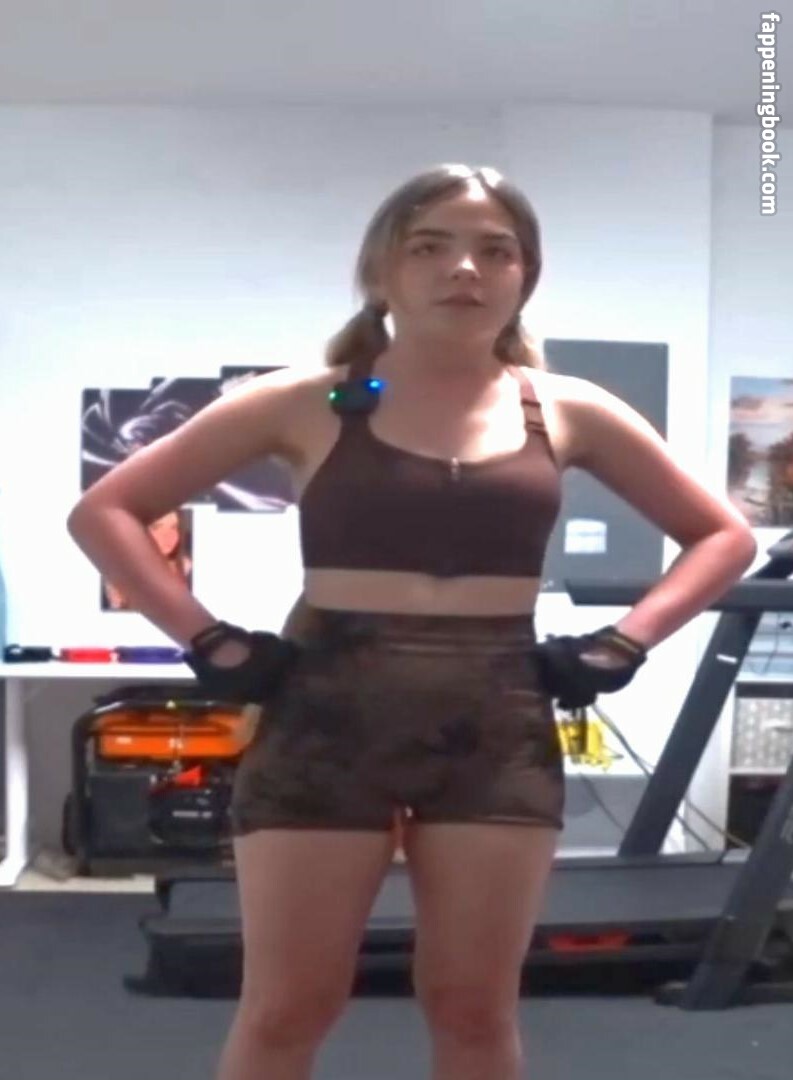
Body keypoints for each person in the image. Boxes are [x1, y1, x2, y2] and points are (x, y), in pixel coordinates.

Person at [67, 163, 756, 1080]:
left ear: (523, 276)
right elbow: (106, 512)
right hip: (326, 718)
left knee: (473, 1009)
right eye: (430, 246)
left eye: (493, 251)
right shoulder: (301, 400)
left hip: (493, 726)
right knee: (288, 1007)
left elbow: (722, 536)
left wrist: (627, 640)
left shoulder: (567, 409)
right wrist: (204, 636)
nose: (463, 268)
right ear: (382, 271)